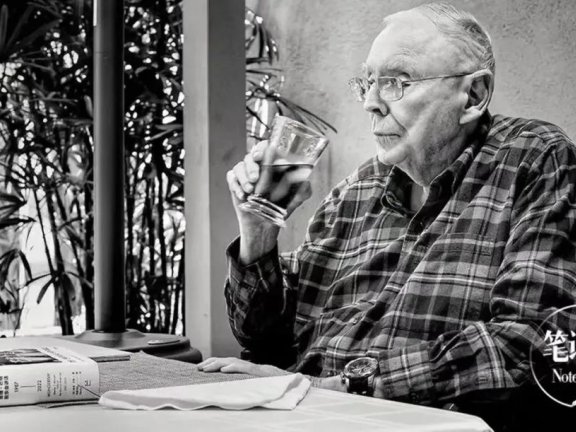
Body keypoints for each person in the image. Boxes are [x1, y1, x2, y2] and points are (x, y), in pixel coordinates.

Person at [198, 2, 576, 430]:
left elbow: (533, 340)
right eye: (368, 83)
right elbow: (263, 339)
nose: (371, 103)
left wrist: (334, 388)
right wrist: (258, 234)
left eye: (397, 82)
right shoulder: (359, 189)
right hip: (302, 417)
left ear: (473, 96)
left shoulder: (533, 159)